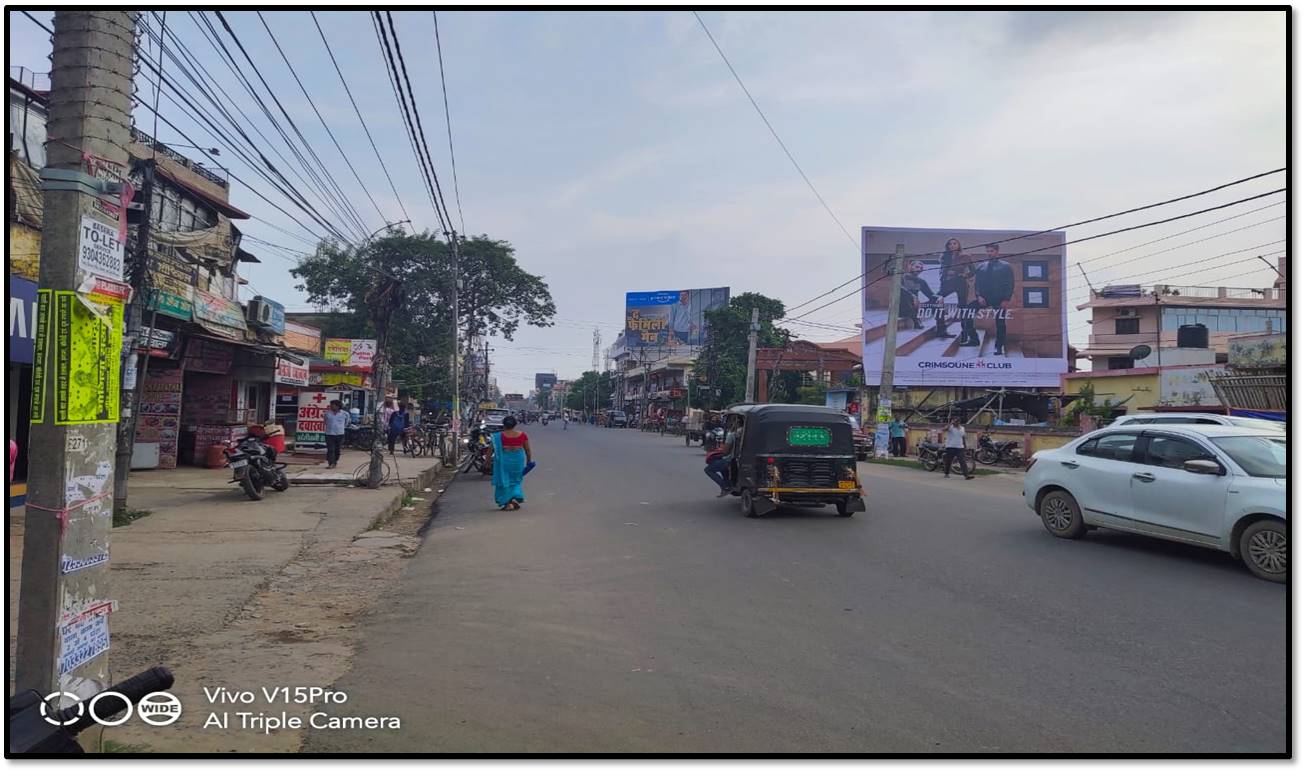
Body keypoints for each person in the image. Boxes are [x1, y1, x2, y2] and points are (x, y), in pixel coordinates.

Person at [973, 243, 1016, 355]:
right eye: (987, 251)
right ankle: (973, 338)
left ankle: (999, 347)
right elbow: (976, 283)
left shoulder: (1006, 266)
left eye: (991, 251)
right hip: (984, 298)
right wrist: (979, 296)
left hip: (999, 299)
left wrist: (1006, 299)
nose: (989, 253)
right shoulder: (981, 266)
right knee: (968, 311)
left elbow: (1010, 284)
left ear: (997, 252)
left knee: (1000, 323)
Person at [491, 416, 532, 510]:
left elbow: (491, 450)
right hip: (518, 461)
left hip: (504, 462)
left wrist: (487, 462)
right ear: (515, 424)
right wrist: (529, 461)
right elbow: (528, 450)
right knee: (516, 480)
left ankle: (508, 502)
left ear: (504, 425)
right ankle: (514, 499)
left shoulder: (498, 436)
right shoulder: (522, 435)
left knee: (504, 480)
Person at [937, 238, 970, 338]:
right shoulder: (944, 257)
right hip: (947, 283)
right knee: (936, 301)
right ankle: (941, 331)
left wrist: (964, 275)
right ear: (947, 246)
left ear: (958, 245)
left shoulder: (965, 256)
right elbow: (942, 273)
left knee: (963, 307)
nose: (952, 245)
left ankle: (964, 333)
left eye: (955, 243)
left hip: (960, 282)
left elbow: (973, 271)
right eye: (950, 244)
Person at [704, 417, 740, 497]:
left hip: (728, 459)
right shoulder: (739, 434)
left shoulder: (731, 435)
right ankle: (728, 485)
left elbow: (726, 452)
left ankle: (725, 487)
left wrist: (718, 452)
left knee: (708, 470)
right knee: (722, 469)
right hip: (734, 459)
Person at [900, 260, 938, 330]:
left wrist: (939, 298)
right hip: (901, 308)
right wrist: (912, 296)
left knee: (936, 300)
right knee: (905, 297)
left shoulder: (921, 282)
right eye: (917, 267)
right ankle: (917, 321)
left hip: (915, 307)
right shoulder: (901, 278)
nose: (919, 269)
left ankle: (941, 328)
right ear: (910, 267)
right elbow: (900, 289)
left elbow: (930, 295)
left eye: (921, 268)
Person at [323, 399, 349, 469]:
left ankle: (335, 461)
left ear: (337, 406)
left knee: (337, 449)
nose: (331, 406)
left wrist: (341, 427)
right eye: (330, 405)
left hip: (340, 434)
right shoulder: (327, 413)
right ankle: (331, 463)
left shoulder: (345, 414)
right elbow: (325, 422)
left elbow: (347, 422)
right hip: (329, 434)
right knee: (330, 449)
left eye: (332, 405)